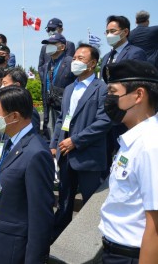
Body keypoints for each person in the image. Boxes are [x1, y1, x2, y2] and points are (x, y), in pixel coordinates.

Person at [0, 86, 55, 264]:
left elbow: (40, 217)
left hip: (11, 251)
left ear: (14, 116)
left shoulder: (36, 153)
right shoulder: (10, 141)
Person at [50, 44, 112, 240]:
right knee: (64, 202)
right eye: (74, 57)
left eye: (80, 58)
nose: (75, 61)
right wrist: (54, 144)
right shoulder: (69, 88)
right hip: (65, 154)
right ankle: (59, 241)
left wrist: (75, 141)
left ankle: (90, 244)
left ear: (93, 63)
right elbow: (62, 119)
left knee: (90, 205)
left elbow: (104, 121)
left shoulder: (102, 88)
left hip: (88, 156)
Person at [99, 60, 158, 263]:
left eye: (113, 92)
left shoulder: (151, 144)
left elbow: (156, 224)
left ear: (138, 95)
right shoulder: (133, 139)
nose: (108, 99)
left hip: (130, 256)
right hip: (114, 251)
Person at [100, 15, 147, 173]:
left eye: (113, 31)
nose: (109, 35)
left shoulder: (135, 53)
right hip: (108, 113)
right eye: (106, 31)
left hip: (126, 112)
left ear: (125, 31)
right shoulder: (107, 57)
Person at [39, 33, 77, 142]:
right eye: (47, 44)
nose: (48, 46)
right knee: (52, 134)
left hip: (65, 108)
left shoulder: (70, 62)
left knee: (64, 135)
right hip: (50, 107)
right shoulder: (47, 65)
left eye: (52, 44)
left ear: (62, 47)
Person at [2, 68, 41, 133]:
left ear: (17, 85)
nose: (2, 87)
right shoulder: (9, 108)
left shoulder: (30, 112)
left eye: (5, 83)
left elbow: (31, 135)